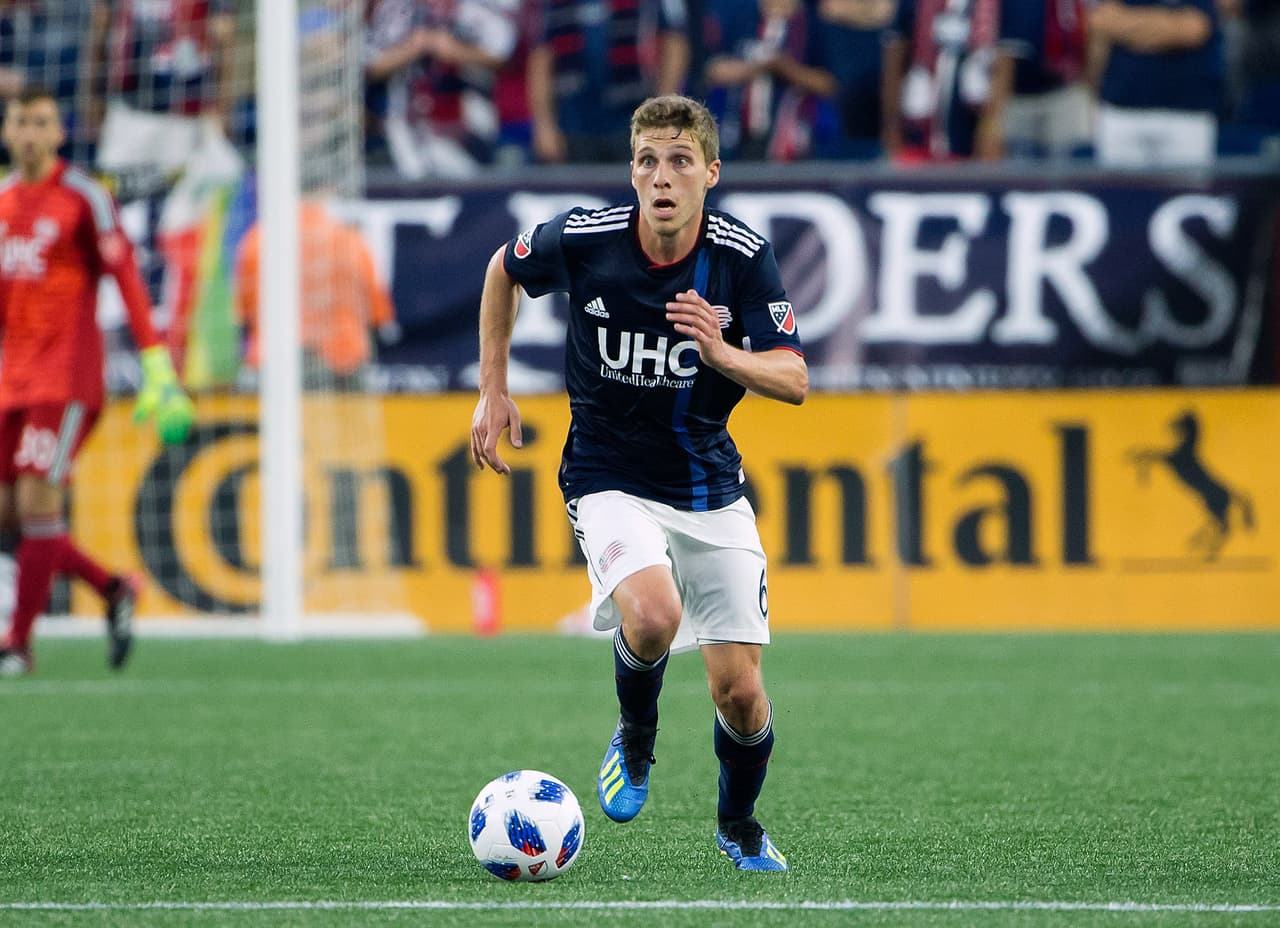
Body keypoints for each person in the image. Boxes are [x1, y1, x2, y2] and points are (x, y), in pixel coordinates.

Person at [470, 94, 806, 871]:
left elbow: (793, 377)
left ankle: (739, 825)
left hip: (709, 486)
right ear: (632, 171)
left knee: (741, 698)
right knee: (652, 614)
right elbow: (502, 269)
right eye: (648, 161)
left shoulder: (741, 256)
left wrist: (724, 356)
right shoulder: (587, 239)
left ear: (710, 174)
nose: (662, 177)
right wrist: (493, 387)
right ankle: (638, 738)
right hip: (607, 472)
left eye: (680, 161)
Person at [0, 88, 192, 677]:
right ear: (7, 130)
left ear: (59, 133)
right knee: (10, 510)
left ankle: (17, 645)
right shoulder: (4, 201)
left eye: (42, 122)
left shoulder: (83, 197)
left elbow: (126, 275)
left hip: (66, 377)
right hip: (11, 377)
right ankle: (112, 588)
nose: (30, 132)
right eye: (20, 122)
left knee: (37, 500)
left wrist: (156, 362)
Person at [235, 198, 398, 392]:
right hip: (341, 364)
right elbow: (379, 312)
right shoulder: (350, 240)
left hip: (270, 362)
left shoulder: (256, 240)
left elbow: (242, 311)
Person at [527, 0, 690, 164]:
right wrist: (544, 126)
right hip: (573, 124)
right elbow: (540, 59)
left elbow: (674, 43)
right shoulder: (554, 4)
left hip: (634, 120)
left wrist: (664, 112)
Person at [1088, 0, 1224, 168]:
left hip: (1187, 116)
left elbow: (1193, 29)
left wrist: (1126, 26)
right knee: (1118, 191)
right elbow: (1102, 22)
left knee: (1186, 192)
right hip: (1122, 112)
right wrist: (1166, 25)